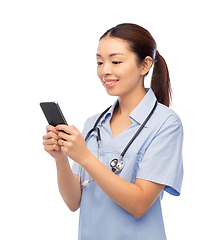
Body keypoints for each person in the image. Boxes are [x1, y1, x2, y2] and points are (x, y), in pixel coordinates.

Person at [42, 23, 184, 240]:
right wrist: (61, 158)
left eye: (115, 61)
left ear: (145, 65)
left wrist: (86, 158)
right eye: (100, 62)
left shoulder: (165, 123)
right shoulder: (93, 124)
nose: (104, 70)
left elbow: (139, 204)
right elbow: (73, 202)